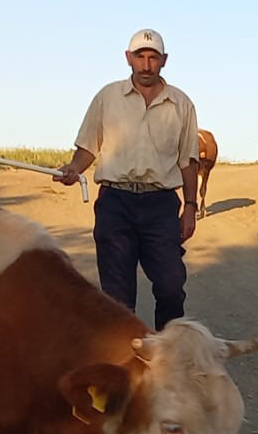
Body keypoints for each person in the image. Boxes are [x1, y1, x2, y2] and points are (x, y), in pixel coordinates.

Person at [54, 28, 200, 330]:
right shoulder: (108, 97)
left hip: (160, 205)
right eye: (140, 57)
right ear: (128, 58)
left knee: (172, 286)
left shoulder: (182, 104)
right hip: (115, 203)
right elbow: (87, 147)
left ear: (164, 60)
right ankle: (124, 363)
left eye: (153, 57)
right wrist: (73, 169)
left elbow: (188, 160)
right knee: (118, 296)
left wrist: (190, 206)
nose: (146, 65)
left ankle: (167, 355)